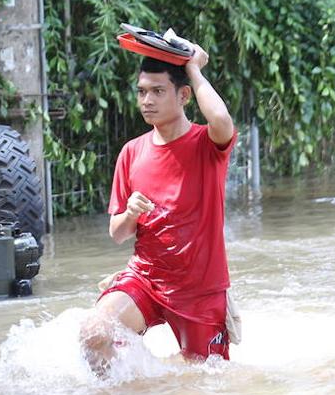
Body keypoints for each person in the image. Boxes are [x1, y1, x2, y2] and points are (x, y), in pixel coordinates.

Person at [81, 41, 236, 371]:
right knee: (93, 333)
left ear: (183, 95)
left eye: (158, 91)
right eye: (141, 92)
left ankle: (165, 378)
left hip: (201, 290)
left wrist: (194, 67)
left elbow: (221, 117)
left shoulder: (206, 144)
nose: (147, 101)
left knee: (203, 379)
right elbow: (118, 233)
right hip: (146, 280)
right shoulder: (131, 153)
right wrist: (130, 213)